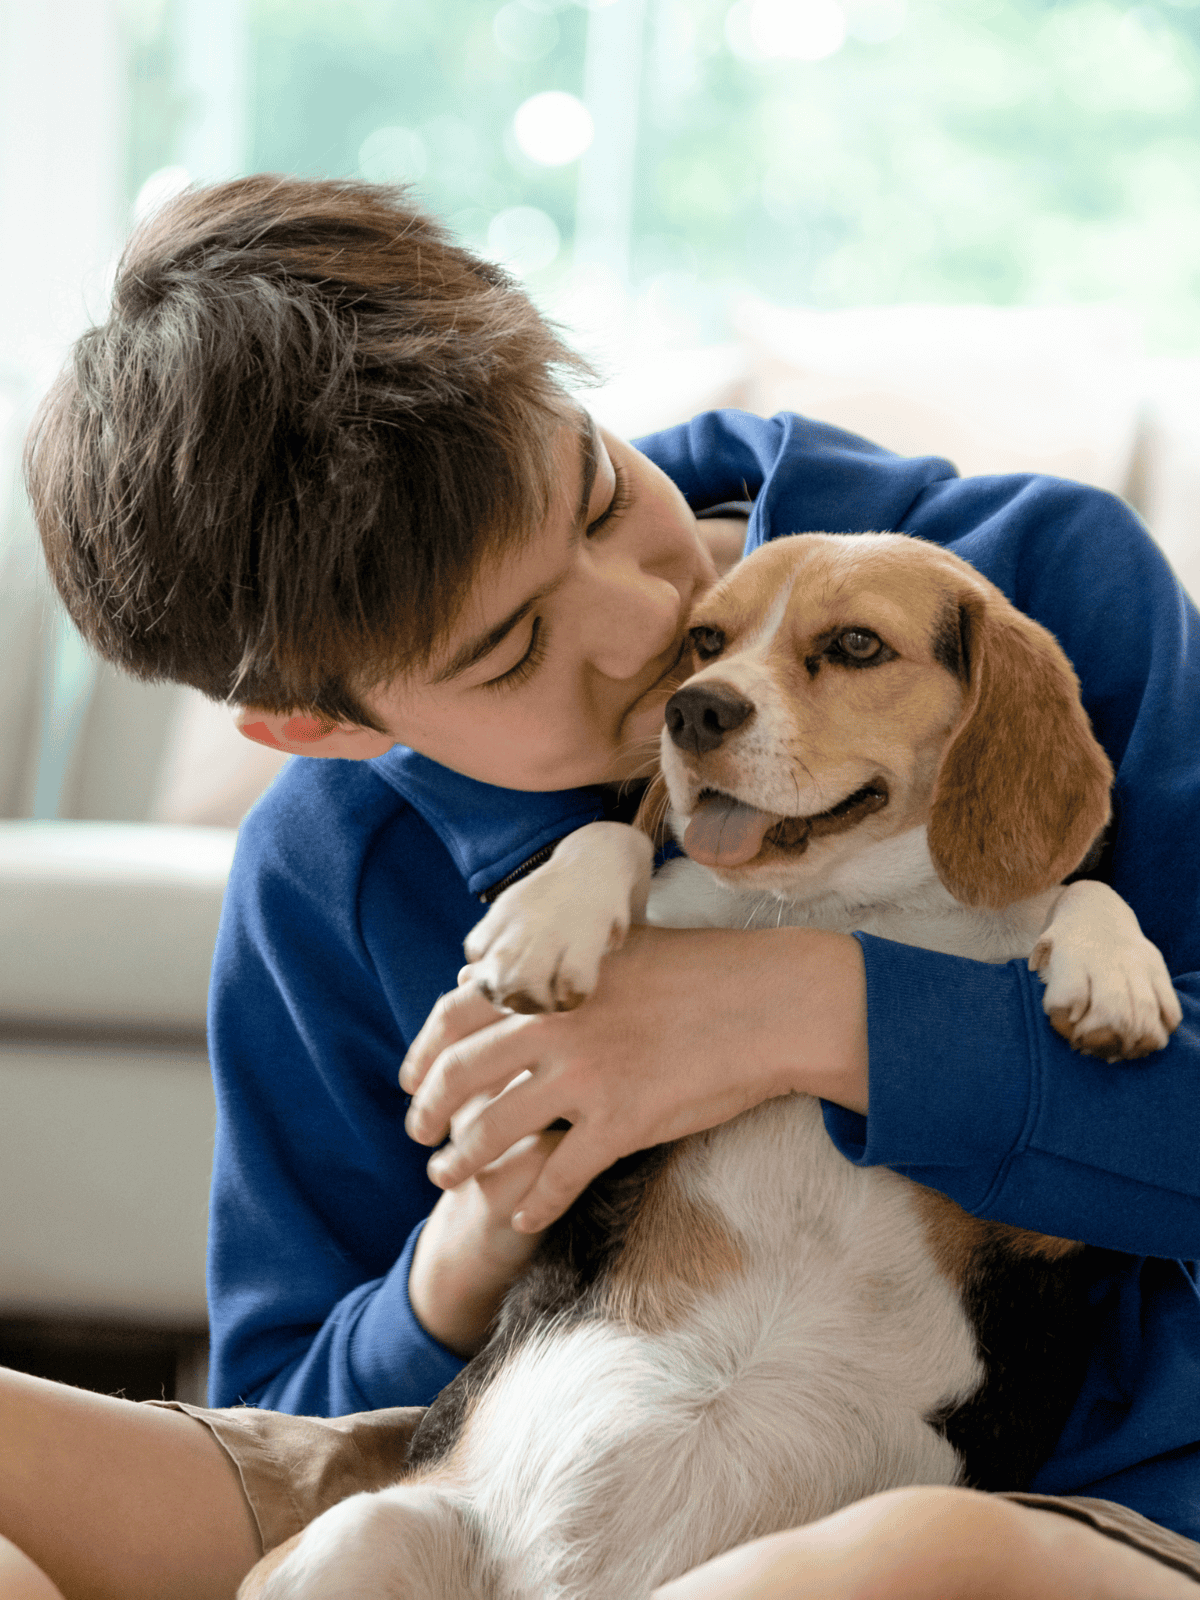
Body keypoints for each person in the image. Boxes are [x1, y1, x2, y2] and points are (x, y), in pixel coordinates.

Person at [3, 173, 1198, 1600]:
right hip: (492, 1483)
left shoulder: (1032, 580)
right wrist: (472, 1241)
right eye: (509, 652)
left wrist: (806, 1012)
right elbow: (287, 1418)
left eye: (598, 491)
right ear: (323, 726)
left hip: (1022, 1505)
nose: (651, 634)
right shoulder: (325, 869)